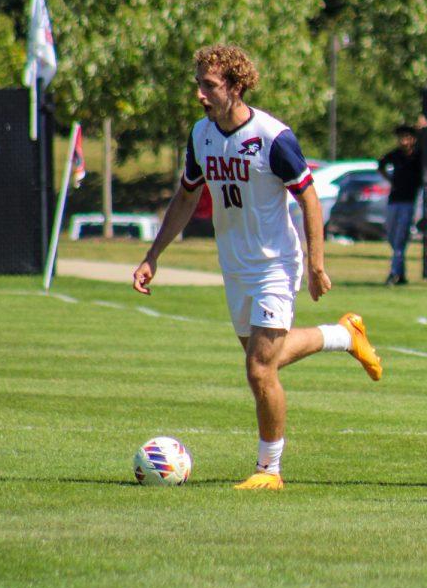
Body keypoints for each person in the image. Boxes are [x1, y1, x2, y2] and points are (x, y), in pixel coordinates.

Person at [132, 44, 382, 491]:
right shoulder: (201, 135)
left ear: (235, 86)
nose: (200, 95)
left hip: (275, 266)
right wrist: (153, 256)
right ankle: (346, 335)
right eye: (199, 85)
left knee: (259, 369)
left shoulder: (273, 137)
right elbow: (187, 196)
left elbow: (307, 197)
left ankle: (270, 471)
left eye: (208, 86)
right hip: (234, 265)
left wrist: (316, 263)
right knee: (265, 359)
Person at [377, 123, 424, 285]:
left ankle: (394, 274)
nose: (403, 141)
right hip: (394, 201)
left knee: (399, 239)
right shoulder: (395, 155)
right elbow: (380, 165)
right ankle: (401, 275)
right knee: (391, 236)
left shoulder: (418, 157)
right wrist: (390, 180)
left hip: (409, 202)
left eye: (406, 137)